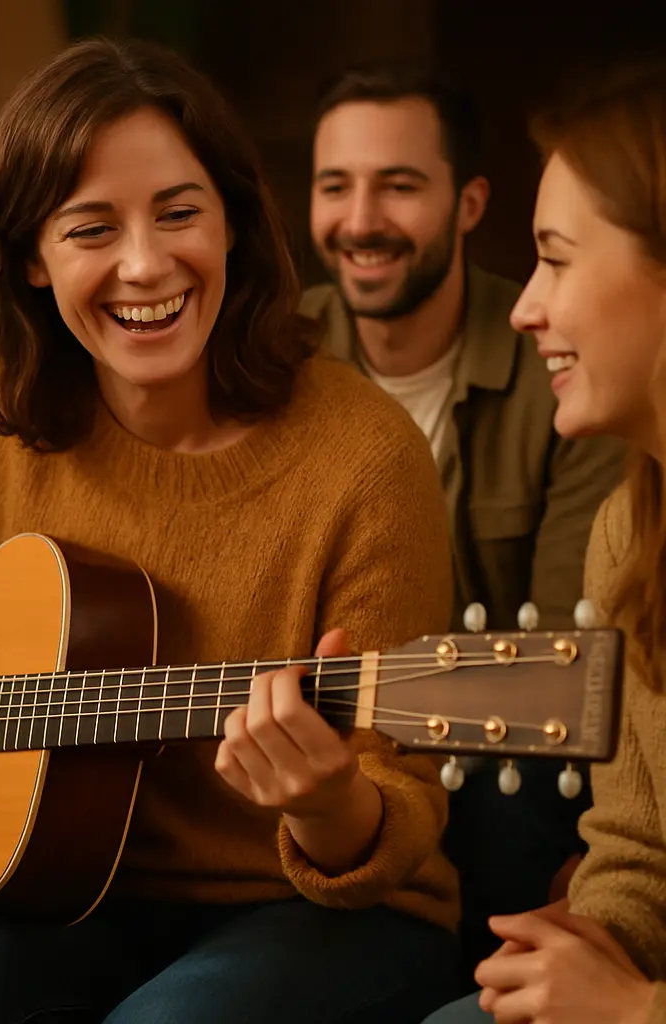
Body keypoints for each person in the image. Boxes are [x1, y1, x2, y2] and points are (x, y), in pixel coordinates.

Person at [0, 38, 461, 1024]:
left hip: (315, 907)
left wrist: (328, 801)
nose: (144, 265)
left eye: (179, 212)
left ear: (236, 222)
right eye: (89, 228)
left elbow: (395, 810)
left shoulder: (366, 456)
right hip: (65, 888)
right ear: (32, 256)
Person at [301, 59, 627, 971]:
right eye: (336, 187)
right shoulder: (272, 363)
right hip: (312, 744)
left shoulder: (567, 366)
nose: (361, 220)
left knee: (510, 815)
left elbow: (573, 659)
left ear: (470, 203)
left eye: (398, 186)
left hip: (495, 757)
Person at [422, 59, 666, 1024]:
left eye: (557, 258)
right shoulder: (631, 530)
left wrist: (634, 1007)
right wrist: (578, 944)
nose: (524, 306)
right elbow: (641, 855)